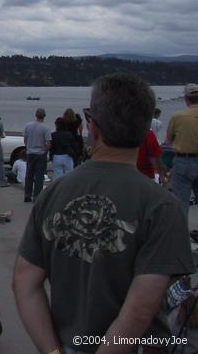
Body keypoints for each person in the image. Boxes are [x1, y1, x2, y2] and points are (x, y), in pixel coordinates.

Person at [13, 73, 195, 354]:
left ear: (92, 126)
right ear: (147, 128)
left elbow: (24, 284)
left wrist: (53, 351)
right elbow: (138, 311)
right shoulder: (162, 206)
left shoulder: (53, 193)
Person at [167, 83, 198, 216]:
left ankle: (182, 235)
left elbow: (168, 140)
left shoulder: (177, 117)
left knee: (180, 203)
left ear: (186, 98)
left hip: (182, 162)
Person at [23, 108, 51, 203]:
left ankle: (27, 195)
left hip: (30, 153)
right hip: (40, 153)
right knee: (39, 175)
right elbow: (48, 143)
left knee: (29, 174)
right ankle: (36, 196)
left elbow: (25, 140)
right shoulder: (45, 128)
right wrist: (44, 151)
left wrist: (28, 148)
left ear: (36, 115)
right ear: (44, 116)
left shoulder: (28, 126)